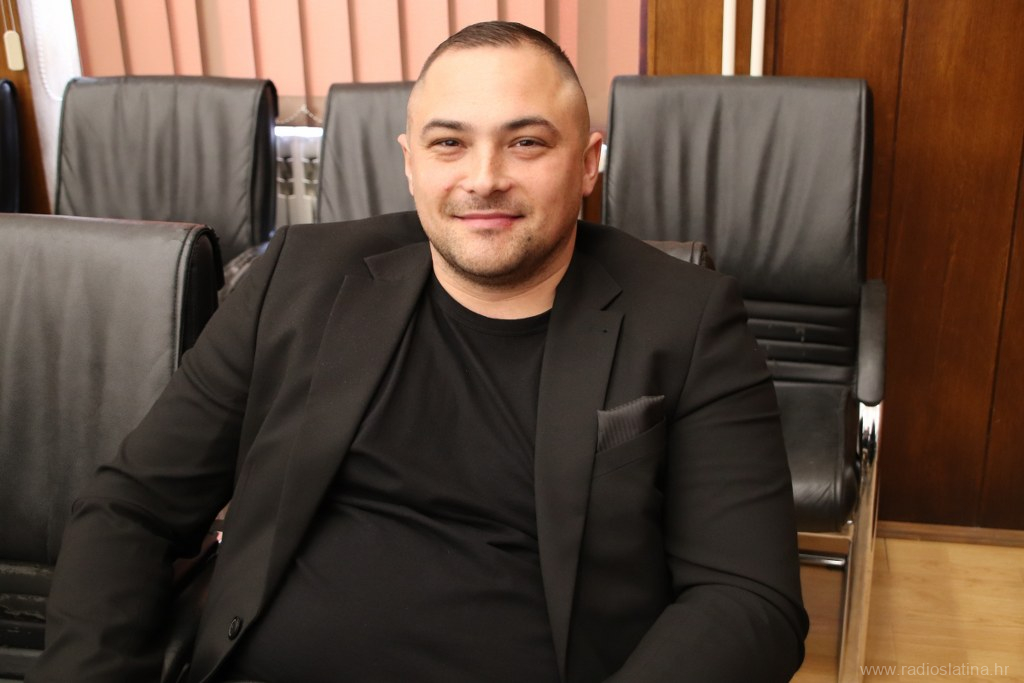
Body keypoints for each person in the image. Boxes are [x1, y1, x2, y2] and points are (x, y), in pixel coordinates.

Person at [29, 21, 807, 683]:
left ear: (588, 161)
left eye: (526, 142)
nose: (484, 179)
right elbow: (132, 505)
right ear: (409, 161)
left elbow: (748, 599)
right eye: (449, 144)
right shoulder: (299, 277)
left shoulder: (688, 319)